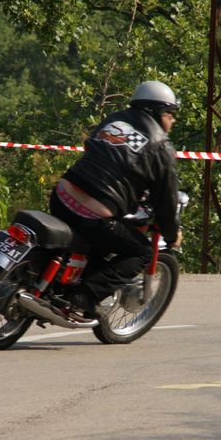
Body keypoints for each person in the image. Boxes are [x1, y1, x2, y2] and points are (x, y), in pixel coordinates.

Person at [49, 80, 183, 315]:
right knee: (141, 251)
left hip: (61, 196)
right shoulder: (161, 145)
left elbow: (97, 150)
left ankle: (56, 279)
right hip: (92, 215)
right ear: (156, 112)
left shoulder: (114, 120)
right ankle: (83, 297)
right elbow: (166, 198)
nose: (173, 120)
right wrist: (172, 234)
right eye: (170, 114)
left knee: (97, 240)